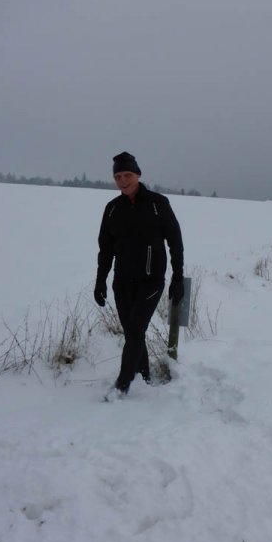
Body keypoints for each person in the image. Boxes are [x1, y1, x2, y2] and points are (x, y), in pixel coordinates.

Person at [94, 151, 184, 396]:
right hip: (122, 282)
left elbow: (175, 242)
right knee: (133, 333)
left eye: (128, 175)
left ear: (138, 175)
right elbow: (106, 249)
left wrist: (177, 277)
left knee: (134, 331)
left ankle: (122, 386)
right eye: (118, 176)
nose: (123, 181)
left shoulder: (157, 204)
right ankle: (144, 376)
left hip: (151, 281)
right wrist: (101, 280)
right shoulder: (112, 209)